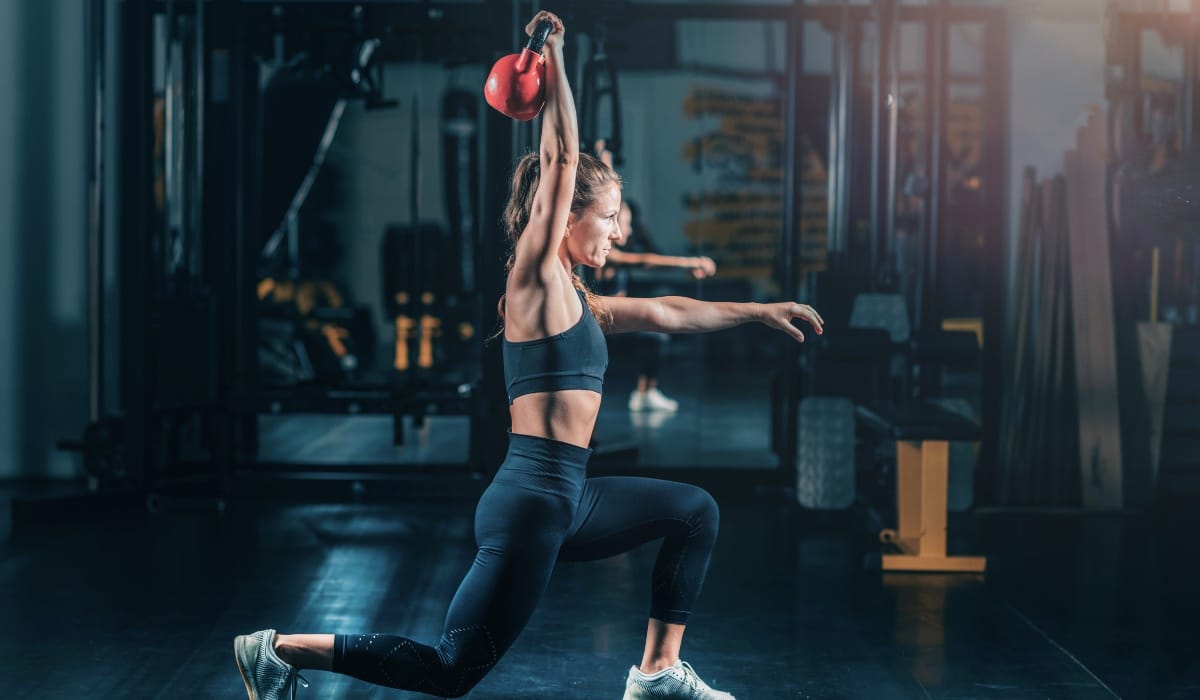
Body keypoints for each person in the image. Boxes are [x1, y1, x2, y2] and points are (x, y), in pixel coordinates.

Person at [233, 11, 823, 700]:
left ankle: (658, 674)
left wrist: (761, 310)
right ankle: (276, 649)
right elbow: (562, 158)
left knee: (695, 511)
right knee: (451, 671)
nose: (616, 232)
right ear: (566, 217)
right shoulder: (535, 280)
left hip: (568, 498)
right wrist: (555, 56)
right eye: (607, 219)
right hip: (529, 504)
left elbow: (668, 311)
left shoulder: (578, 298)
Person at [598, 198, 716, 412]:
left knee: (657, 331)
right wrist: (690, 262)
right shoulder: (604, 254)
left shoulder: (620, 246)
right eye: (625, 223)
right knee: (654, 334)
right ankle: (644, 393)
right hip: (602, 324)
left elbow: (651, 255)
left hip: (617, 319)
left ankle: (645, 392)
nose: (628, 229)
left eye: (628, 223)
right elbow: (645, 260)